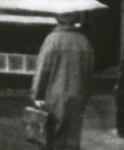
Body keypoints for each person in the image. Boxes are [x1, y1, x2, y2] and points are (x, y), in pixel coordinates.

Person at [31, 10, 96, 150]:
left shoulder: (52, 40)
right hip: (78, 94)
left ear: (57, 18)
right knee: (72, 136)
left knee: (52, 136)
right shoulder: (84, 41)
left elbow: (43, 69)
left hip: (55, 95)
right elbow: (90, 69)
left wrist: (37, 94)